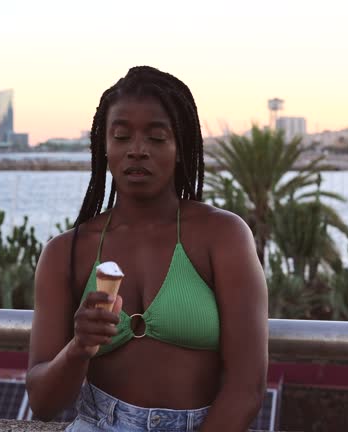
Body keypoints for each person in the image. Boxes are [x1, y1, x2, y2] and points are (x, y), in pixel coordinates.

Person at [26, 66, 268, 431]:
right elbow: (43, 403)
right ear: (103, 146)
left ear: (180, 147)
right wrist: (79, 346)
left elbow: (246, 388)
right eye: (121, 136)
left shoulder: (222, 236)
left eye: (156, 138)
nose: (137, 151)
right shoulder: (66, 252)